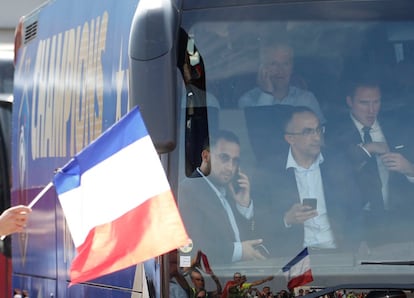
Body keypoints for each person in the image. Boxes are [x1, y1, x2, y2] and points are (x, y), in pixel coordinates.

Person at [254, 107, 363, 256]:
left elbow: (355, 208)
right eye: (307, 132)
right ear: (290, 138)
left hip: (338, 252)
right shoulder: (270, 170)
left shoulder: (337, 162)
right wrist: (287, 219)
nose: (317, 137)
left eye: (318, 130)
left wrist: (353, 247)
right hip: (294, 256)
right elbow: (258, 221)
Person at [327, 74, 414, 245]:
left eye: (376, 102)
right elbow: (334, 172)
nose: (371, 110)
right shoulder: (335, 131)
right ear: (350, 102)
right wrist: (369, 148)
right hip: (359, 220)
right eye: (364, 103)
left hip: (401, 217)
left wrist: (409, 168)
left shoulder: (398, 127)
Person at [178, 130, 267, 264]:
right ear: (206, 156)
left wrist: (244, 207)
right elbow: (191, 246)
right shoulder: (188, 190)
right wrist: (239, 251)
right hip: (208, 281)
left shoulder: (230, 191)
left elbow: (249, 241)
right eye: (224, 158)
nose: (230, 167)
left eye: (235, 161)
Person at [238, 42, 325, 123]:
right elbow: (257, 130)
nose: (280, 70)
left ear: (292, 68)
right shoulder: (248, 100)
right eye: (273, 64)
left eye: (286, 64)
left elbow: (320, 135)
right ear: (262, 69)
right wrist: (267, 94)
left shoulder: (306, 99)